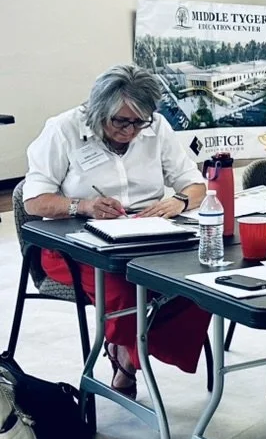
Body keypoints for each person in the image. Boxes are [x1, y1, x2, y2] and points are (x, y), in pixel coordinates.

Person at [23, 64, 211, 398]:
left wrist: (179, 202)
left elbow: (195, 183)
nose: (130, 131)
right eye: (120, 121)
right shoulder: (63, 129)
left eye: (140, 122)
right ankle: (126, 358)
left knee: (201, 280)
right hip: (74, 243)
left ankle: (129, 345)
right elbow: (34, 201)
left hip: (148, 233)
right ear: (98, 111)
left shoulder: (156, 128)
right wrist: (82, 205)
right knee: (124, 284)